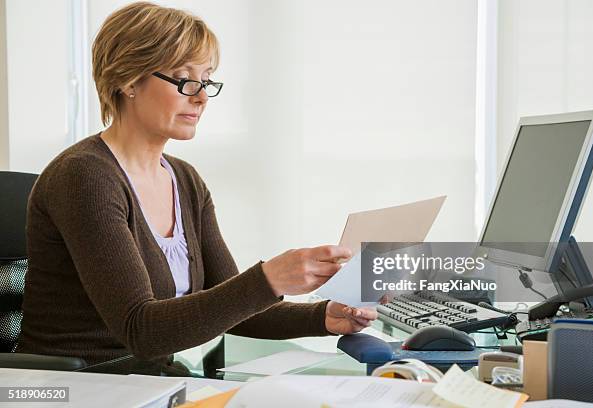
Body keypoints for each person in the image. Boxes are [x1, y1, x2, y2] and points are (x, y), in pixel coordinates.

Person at [16, 2, 377, 366]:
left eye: (206, 81)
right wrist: (270, 279)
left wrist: (324, 316)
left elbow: (234, 306)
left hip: (148, 383)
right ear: (128, 79)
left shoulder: (184, 181)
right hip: (78, 387)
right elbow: (142, 330)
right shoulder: (84, 177)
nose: (201, 97)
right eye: (186, 79)